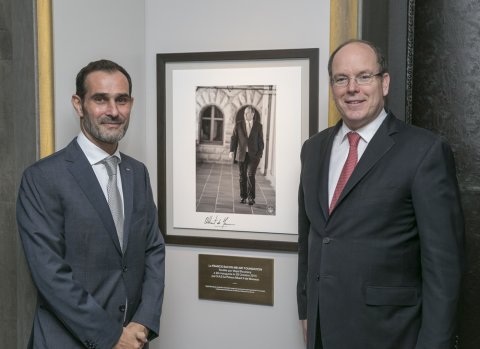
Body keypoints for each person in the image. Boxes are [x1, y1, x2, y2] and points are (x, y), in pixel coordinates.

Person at [297, 39, 464, 349]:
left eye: (364, 76)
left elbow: (443, 268)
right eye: (341, 78)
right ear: (332, 86)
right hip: (322, 332)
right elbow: (309, 239)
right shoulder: (313, 149)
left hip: (390, 335)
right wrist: (305, 311)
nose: (352, 88)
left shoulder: (424, 152)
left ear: (384, 83)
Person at [16, 59, 165, 349]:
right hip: (68, 341)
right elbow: (49, 274)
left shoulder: (137, 173)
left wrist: (143, 321)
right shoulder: (43, 177)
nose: (113, 111)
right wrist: (112, 337)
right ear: (78, 104)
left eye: (121, 100)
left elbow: (153, 250)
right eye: (100, 99)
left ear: (131, 104)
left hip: (134, 340)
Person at [229, 106, 264, 205]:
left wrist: (260, 154)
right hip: (241, 154)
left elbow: (261, 141)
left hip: (254, 156)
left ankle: (251, 198)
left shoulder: (258, 126)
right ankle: (243, 197)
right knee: (242, 176)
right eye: (244, 113)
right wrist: (231, 151)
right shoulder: (239, 125)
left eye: (247, 113)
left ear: (252, 114)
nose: (245, 115)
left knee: (250, 175)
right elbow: (234, 138)